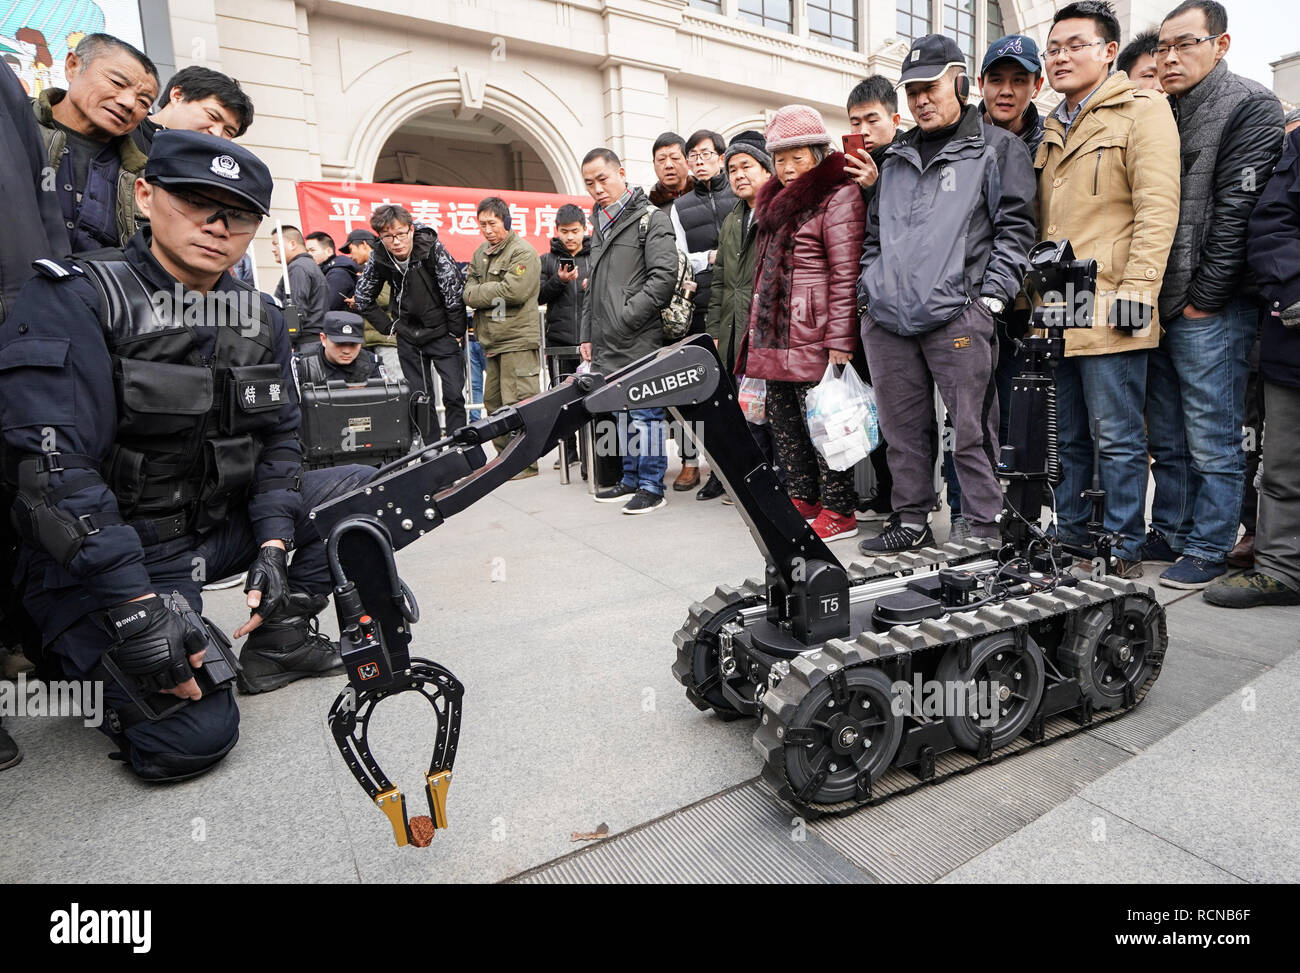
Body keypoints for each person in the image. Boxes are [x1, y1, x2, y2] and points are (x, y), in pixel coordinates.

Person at [0, 130, 373, 782]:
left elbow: (279, 442)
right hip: (109, 559)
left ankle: (278, 639)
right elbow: (50, 475)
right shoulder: (77, 297)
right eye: (195, 201)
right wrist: (137, 607)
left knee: (364, 494)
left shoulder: (258, 318)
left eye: (236, 212)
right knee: (192, 737)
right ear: (146, 195)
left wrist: (275, 544)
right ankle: (71, 648)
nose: (216, 224)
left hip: (207, 527)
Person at [857, 34, 1036, 554]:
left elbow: (1016, 231)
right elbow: (874, 237)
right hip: (889, 319)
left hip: (959, 316)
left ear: (959, 82)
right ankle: (910, 519)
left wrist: (991, 302)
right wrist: (871, 294)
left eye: (929, 88)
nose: (919, 100)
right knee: (901, 429)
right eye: (911, 91)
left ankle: (983, 526)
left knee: (973, 429)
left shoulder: (999, 148)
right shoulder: (895, 157)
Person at [1036, 0, 1181, 578]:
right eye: (1054, 48)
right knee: (1065, 433)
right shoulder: (1052, 123)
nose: (1061, 57)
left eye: (1075, 45)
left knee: (1118, 435)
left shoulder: (1142, 109)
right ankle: (1070, 533)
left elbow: (1157, 205)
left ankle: (1124, 542)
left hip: (1114, 296)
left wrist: (1140, 290)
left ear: (1108, 52)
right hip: (1059, 301)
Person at [1144, 0, 1286, 588]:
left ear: (1220, 45)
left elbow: (1237, 212)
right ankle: (1173, 529)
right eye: (1162, 47)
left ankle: (1209, 542)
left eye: (1186, 44)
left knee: (1213, 434)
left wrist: (1205, 296)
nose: (1170, 57)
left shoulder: (1249, 104)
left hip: (1212, 306)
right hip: (1158, 300)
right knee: (1167, 434)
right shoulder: (1156, 109)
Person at [745, 105, 865, 542]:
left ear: (818, 153)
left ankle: (840, 509)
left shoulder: (839, 195)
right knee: (785, 423)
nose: (788, 167)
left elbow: (846, 272)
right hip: (776, 332)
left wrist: (840, 339)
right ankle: (802, 497)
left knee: (824, 423)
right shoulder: (775, 201)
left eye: (798, 156)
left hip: (814, 333)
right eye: (780, 158)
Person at [1, 55, 73, 771]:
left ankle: (36, 646)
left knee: (29, 489)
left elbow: (45, 215)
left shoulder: (3, 80)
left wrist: (51, 298)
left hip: (16, 317)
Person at [1205, 123, 1300, 607]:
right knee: (1283, 466)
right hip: (1294, 333)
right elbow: (1272, 223)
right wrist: (1293, 288)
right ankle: (1282, 570)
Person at [579, 147, 678, 514]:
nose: (597, 189)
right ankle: (631, 479)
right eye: (590, 183)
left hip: (637, 334)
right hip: (607, 338)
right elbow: (594, 284)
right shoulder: (600, 223)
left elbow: (663, 278)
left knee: (645, 412)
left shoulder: (650, 219)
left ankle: (652, 486)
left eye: (603, 179)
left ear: (621, 172)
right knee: (621, 411)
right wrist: (587, 333)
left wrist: (625, 317)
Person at [701, 130, 779, 503]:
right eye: (732, 169)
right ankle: (754, 482)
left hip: (765, 332)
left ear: (766, 169)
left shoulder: (776, 210)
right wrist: (715, 330)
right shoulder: (734, 218)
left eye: (746, 166)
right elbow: (720, 283)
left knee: (773, 414)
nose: (738, 175)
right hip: (733, 332)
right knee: (745, 410)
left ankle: (775, 486)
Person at [353, 204, 469, 443]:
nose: (396, 241)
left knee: (454, 394)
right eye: (387, 236)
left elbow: (453, 290)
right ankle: (432, 451)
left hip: (442, 332)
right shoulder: (379, 256)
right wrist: (389, 327)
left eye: (400, 234)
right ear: (380, 237)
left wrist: (456, 332)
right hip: (408, 335)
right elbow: (363, 297)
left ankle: (460, 445)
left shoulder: (431, 247)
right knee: (420, 397)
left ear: (411, 230)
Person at [31, 33, 157, 252]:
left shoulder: (143, 175)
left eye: (143, 101)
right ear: (72, 66)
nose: (128, 103)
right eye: (117, 82)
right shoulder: (13, 126)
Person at [844, 75, 904, 526]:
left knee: (903, 408)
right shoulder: (848, 169)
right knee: (869, 403)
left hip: (904, 302)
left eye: (872, 120)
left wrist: (873, 186)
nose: (863, 130)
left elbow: (901, 230)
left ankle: (909, 500)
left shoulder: (907, 159)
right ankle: (879, 493)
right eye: (854, 122)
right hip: (864, 304)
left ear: (894, 119)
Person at [669, 129, 736, 492]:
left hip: (737, 303)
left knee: (737, 386)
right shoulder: (680, 207)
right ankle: (706, 467)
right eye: (693, 155)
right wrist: (708, 258)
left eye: (706, 153)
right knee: (704, 386)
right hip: (700, 306)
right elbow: (680, 259)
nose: (699, 160)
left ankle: (739, 469)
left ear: (720, 157)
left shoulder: (738, 194)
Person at [463, 196, 543, 479]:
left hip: (517, 340)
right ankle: (505, 458)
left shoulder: (522, 252)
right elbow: (466, 289)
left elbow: (514, 292)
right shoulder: (479, 254)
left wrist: (479, 294)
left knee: (519, 403)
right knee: (494, 403)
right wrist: (484, 292)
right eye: (482, 224)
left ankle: (526, 463)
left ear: (505, 221)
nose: (487, 229)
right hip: (491, 341)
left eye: (492, 223)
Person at [538, 202, 592, 467]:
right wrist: (558, 281)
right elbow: (537, 295)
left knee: (592, 397)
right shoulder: (547, 260)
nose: (570, 237)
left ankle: (595, 450)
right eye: (564, 231)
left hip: (591, 342)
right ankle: (569, 452)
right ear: (556, 230)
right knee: (563, 400)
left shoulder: (596, 256)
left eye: (574, 231)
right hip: (559, 341)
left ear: (584, 228)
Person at [131, 64, 253, 151]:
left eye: (228, 131)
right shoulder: (121, 134)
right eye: (213, 116)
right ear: (177, 96)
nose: (217, 133)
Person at [340, 227, 401, 378]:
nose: (351, 256)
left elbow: (390, 297)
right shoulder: (368, 268)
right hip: (373, 339)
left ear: (364, 245)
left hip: (387, 340)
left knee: (396, 385)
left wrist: (360, 299)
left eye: (351, 249)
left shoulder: (385, 263)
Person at [978, 34, 1046, 156]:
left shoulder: (1050, 145)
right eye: (996, 80)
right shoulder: (957, 138)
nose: (1006, 91)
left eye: (1018, 80)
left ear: (1037, 86)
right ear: (981, 85)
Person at [270, 224, 328, 351]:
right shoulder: (308, 265)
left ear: (292, 244)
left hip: (305, 345)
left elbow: (295, 307)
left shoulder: (298, 268)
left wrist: (288, 339)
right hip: (313, 341)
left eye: (276, 244)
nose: (273, 249)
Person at [294, 310, 386, 386]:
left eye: (353, 344)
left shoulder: (372, 363)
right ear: (323, 339)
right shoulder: (303, 365)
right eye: (340, 344)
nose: (347, 351)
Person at [304, 230, 361, 311]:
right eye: (307, 251)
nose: (308, 254)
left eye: (312, 250)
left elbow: (326, 306)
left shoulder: (338, 274)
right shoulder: (326, 271)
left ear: (329, 251)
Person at [649, 132, 693, 213]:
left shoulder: (706, 195)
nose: (668, 165)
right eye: (661, 159)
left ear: (688, 162)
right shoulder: (649, 209)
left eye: (675, 158)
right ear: (654, 165)